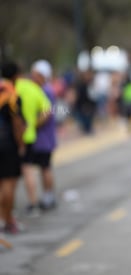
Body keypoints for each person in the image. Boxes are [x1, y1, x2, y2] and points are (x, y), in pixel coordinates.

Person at [15, 60, 52, 216]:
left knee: (11, 175)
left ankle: (8, 211)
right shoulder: (34, 89)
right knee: (27, 170)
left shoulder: (14, 88)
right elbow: (48, 110)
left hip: (13, 137)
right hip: (29, 136)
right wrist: (34, 125)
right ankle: (33, 202)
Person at [22, 60, 58, 213]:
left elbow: (47, 112)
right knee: (43, 168)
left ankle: (48, 196)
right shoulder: (44, 89)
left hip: (43, 139)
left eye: (35, 74)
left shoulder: (45, 91)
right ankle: (47, 196)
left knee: (44, 168)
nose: (32, 76)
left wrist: (33, 124)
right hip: (43, 138)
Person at [0, 62, 26, 235]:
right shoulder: (12, 96)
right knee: (8, 183)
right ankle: (7, 221)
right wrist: (21, 145)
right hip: (6, 143)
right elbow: (17, 123)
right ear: (16, 76)